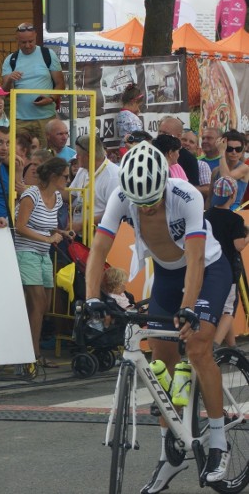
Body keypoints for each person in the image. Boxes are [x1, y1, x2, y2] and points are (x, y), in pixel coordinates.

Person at [85, 142, 233, 490]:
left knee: (196, 348)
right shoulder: (124, 196)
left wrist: (189, 309)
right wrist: (91, 298)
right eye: (141, 204)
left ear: (164, 184)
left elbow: (196, 260)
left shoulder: (187, 196)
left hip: (208, 270)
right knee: (160, 360)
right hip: (167, 274)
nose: (147, 210)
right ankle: (171, 451)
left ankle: (217, 442)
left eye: (152, 201)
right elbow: (98, 249)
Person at [14, 157, 72, 368]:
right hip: (26, 251)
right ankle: (32, 354)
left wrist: (61, 232)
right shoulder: (31, 195)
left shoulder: (56, 198)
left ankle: (30, 350)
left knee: (43, 304)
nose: (68, 180)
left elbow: (46, 226)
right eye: (66, 176)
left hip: (42, 253)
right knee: (38, 302)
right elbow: (20, 226)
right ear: (54, 176)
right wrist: (48, 238)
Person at [1, 22, 65, 146]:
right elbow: (4, 92)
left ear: (36, 36)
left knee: (46, 155)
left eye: (31, 41)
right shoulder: (10, 60)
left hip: (45, 118)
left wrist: (51, 98)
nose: (28, 45)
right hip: (19, 120)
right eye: (23, 42)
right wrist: (9, 79)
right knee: (19, 155)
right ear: (17, 40)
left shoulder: (48, 55)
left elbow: (60, 84)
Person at [204, 176, 249, 348]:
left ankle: (233, 348)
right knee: (229, 309)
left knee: (222, 308)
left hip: (208, 269)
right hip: (227, 270)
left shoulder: (206, 215)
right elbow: (238, 246)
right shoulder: (235, 220)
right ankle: (215, 346)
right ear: (233, 195)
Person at [68, 134, 120, 234]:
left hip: (100, 237)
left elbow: (113, 213)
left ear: (88, 156)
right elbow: (71, 195)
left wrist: (82, 224)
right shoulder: (83, 170)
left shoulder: (114, 176)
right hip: (79, 236)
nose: (76, 157)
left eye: (78, 154)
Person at [211, 130, 249, 210]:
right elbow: (210, 197)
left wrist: (221, 152)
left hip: (234, 212)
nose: (234, 152)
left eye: (238, 149)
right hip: (214, 211)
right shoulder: (216, 171)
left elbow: (226, 180)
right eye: (229, 149)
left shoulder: (245, 168)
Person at [158, 116, 200, 185]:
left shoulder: (189, 159)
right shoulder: (151, 152)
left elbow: (192, 187)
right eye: (160, 132)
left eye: (165, 133)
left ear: (179, 136)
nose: (161, 136)